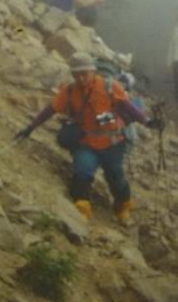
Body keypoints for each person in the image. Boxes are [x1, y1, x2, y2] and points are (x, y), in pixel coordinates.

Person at [15, 52, 162, 222]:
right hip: (86, 143)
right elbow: (50, 109)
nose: (81, 78)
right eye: (77, 74)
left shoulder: (109, 86)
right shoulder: (69, 92)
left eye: (84, 74)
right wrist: (30, 128)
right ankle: (82, 209)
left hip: (113, 142)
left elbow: (128, 107)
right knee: (82, 173)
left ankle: (122, 207)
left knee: (116, 177)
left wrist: (147, 122)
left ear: (93, 71)